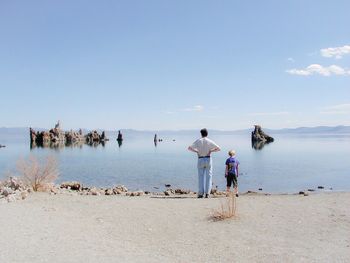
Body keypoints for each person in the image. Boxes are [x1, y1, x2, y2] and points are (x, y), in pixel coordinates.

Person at [188, 128, 221, 198]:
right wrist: (211, 151)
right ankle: (207, 193)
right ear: (207, 134)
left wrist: (196, 151)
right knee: (209, 177)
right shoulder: (209, 141)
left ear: (201, 134)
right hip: (208, 159)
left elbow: (189, 148)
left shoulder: (198, 141)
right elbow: (218, 148)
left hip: (200, 159)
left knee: (200, 177)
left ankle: (200, 193)